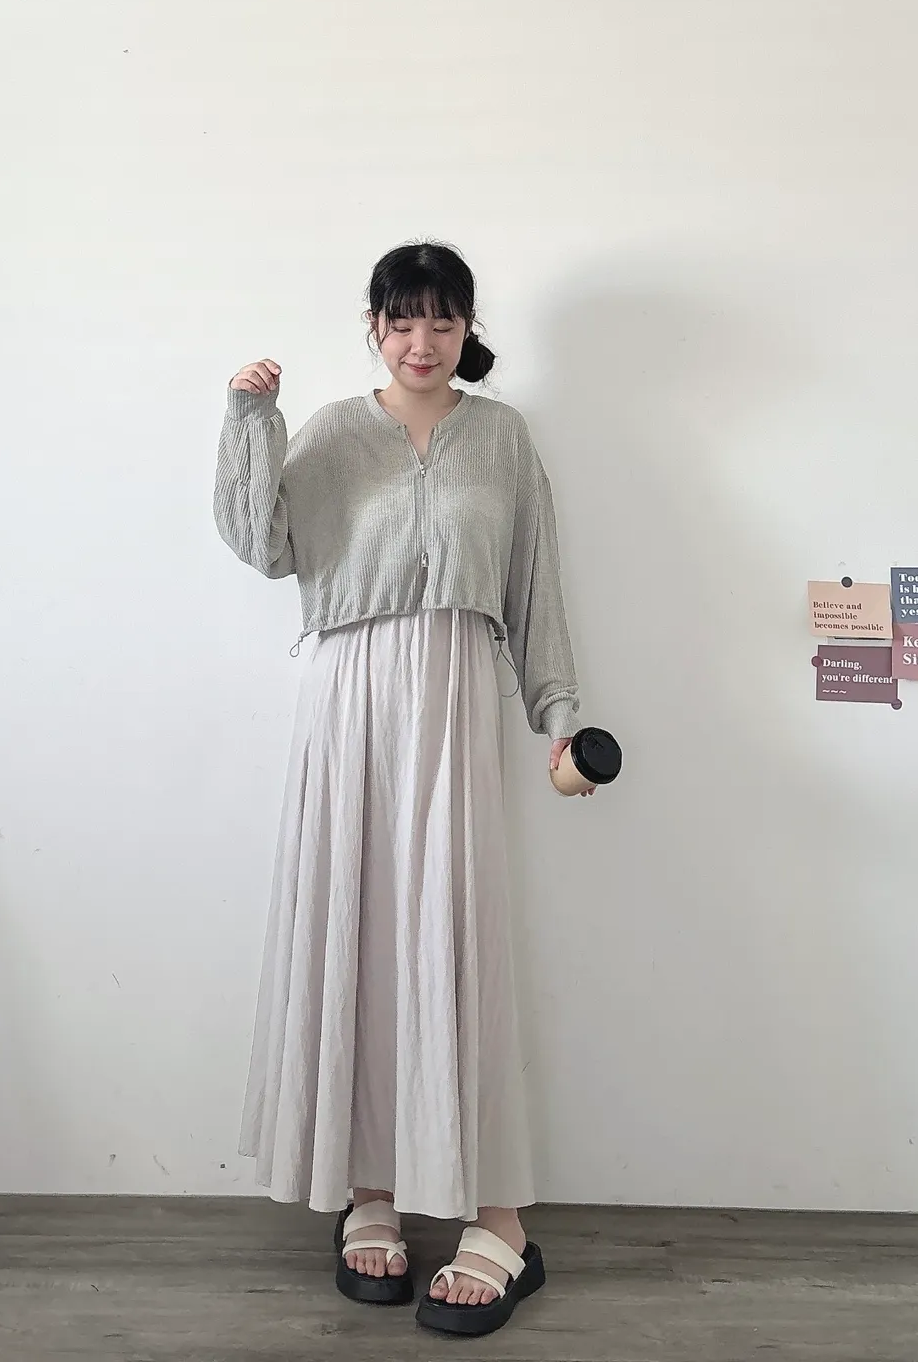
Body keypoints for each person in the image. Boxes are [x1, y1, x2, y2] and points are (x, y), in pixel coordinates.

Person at [214, 241, 588, 1339]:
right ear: (374, 328)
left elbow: (534, 587)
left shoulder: (502, 438)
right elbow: (264, 544)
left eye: (443, 320)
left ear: (468, 328)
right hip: (347, 701)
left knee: (454, 939)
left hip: (455, 699)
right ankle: (368, 1190)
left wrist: (560, 717)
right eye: (403, 320)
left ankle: (500, 1217)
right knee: (357, 934)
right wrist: (249, 421)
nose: (423, 342)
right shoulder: (334, 430)